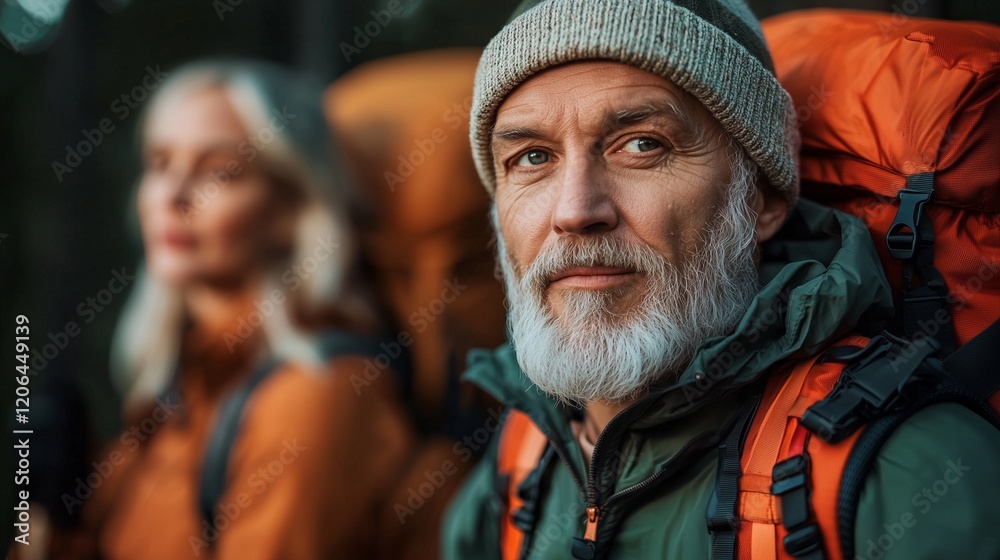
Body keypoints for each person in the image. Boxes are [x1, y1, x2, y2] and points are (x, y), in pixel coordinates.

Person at [442, 1, 1000, 559]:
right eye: (533, 156)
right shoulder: (523, 450)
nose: (575, 209)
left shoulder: (911, 473)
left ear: (761, 199)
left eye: (642, 145)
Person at [63, 60, 417, 559]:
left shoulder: (316, 394)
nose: (173, 195)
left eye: (220, 173)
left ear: (291, 209)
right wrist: (47, 519)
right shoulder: (176, 390)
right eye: (160, 163)